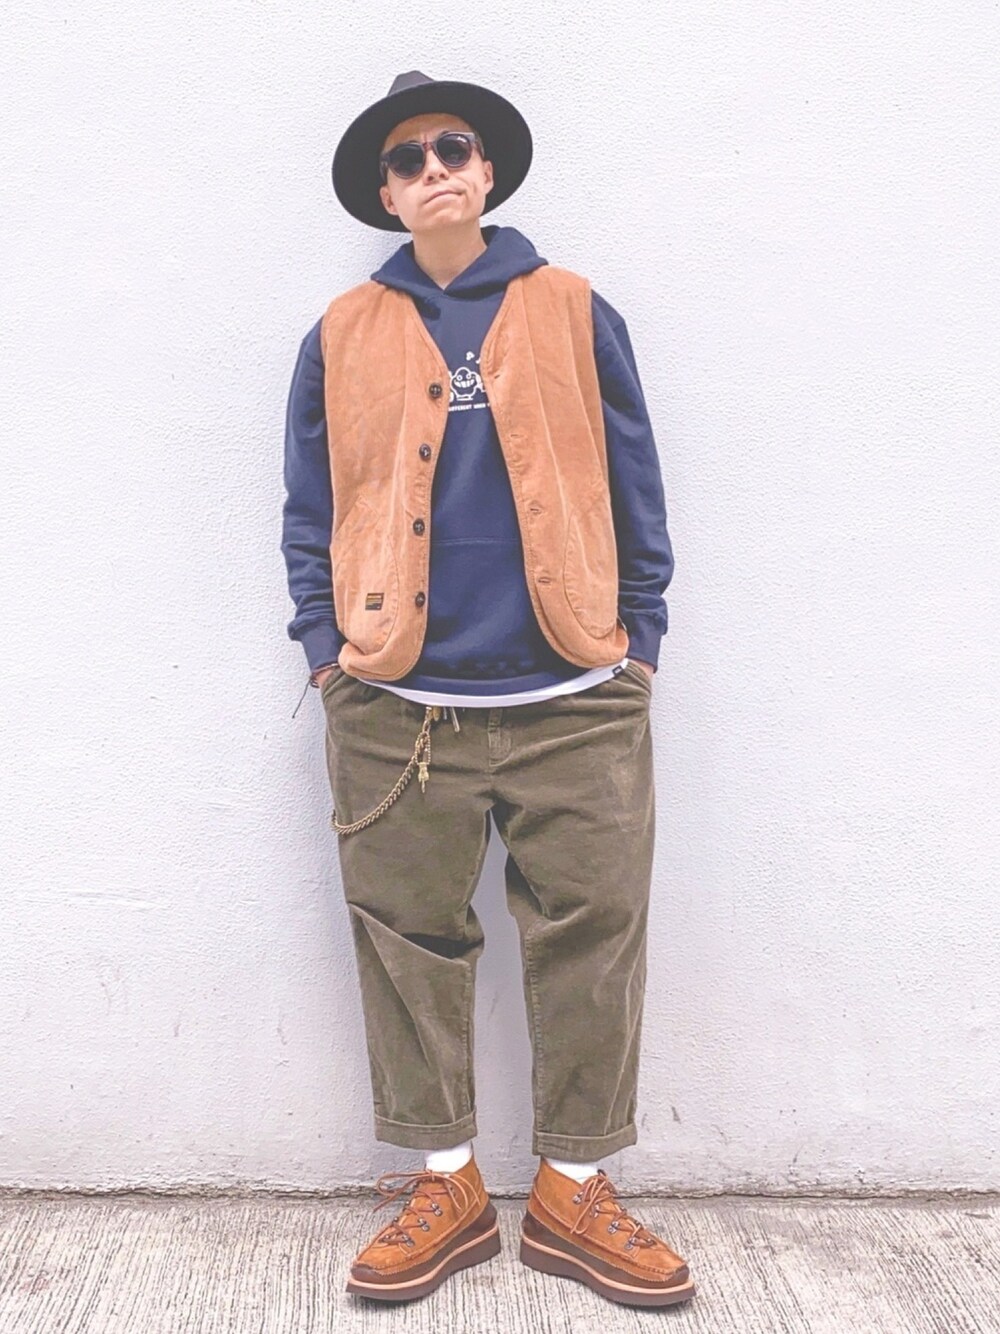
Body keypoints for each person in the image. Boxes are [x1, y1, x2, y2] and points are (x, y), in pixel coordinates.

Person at [280, 69, 694, 1309]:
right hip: (396, 706)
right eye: (406, 160)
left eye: (452, 147)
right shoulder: (341, 330)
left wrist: (640, 638)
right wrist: (324, 651)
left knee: (594, 936)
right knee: (407, 938)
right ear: (387, 194)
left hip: (576, 693)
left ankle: (573, 1187)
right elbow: (312, 505)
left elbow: (635, 476)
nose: (434, 170)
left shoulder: (573, 308)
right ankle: (446, 1183)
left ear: (489, 169)